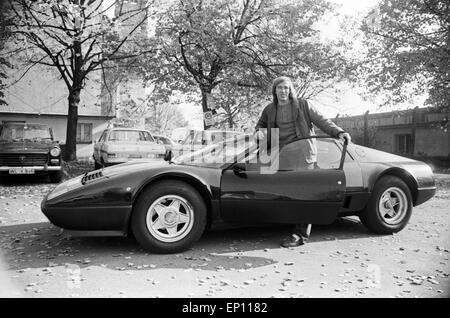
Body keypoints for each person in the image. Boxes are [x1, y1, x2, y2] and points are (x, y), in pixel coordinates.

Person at [254, 76, 351, 248]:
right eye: (280, 88)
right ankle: (285, 224)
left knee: (303, 193)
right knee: (282, 191)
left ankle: (299, 234)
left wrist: (338, 132)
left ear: (290, 90)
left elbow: (322, 120)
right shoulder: (269, 109)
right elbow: (260, 125)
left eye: (286, 88)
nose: (283, 91)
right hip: (280, 155)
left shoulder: (303, 105)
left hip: (302, 153)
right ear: (274, 91)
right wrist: (258, 132)